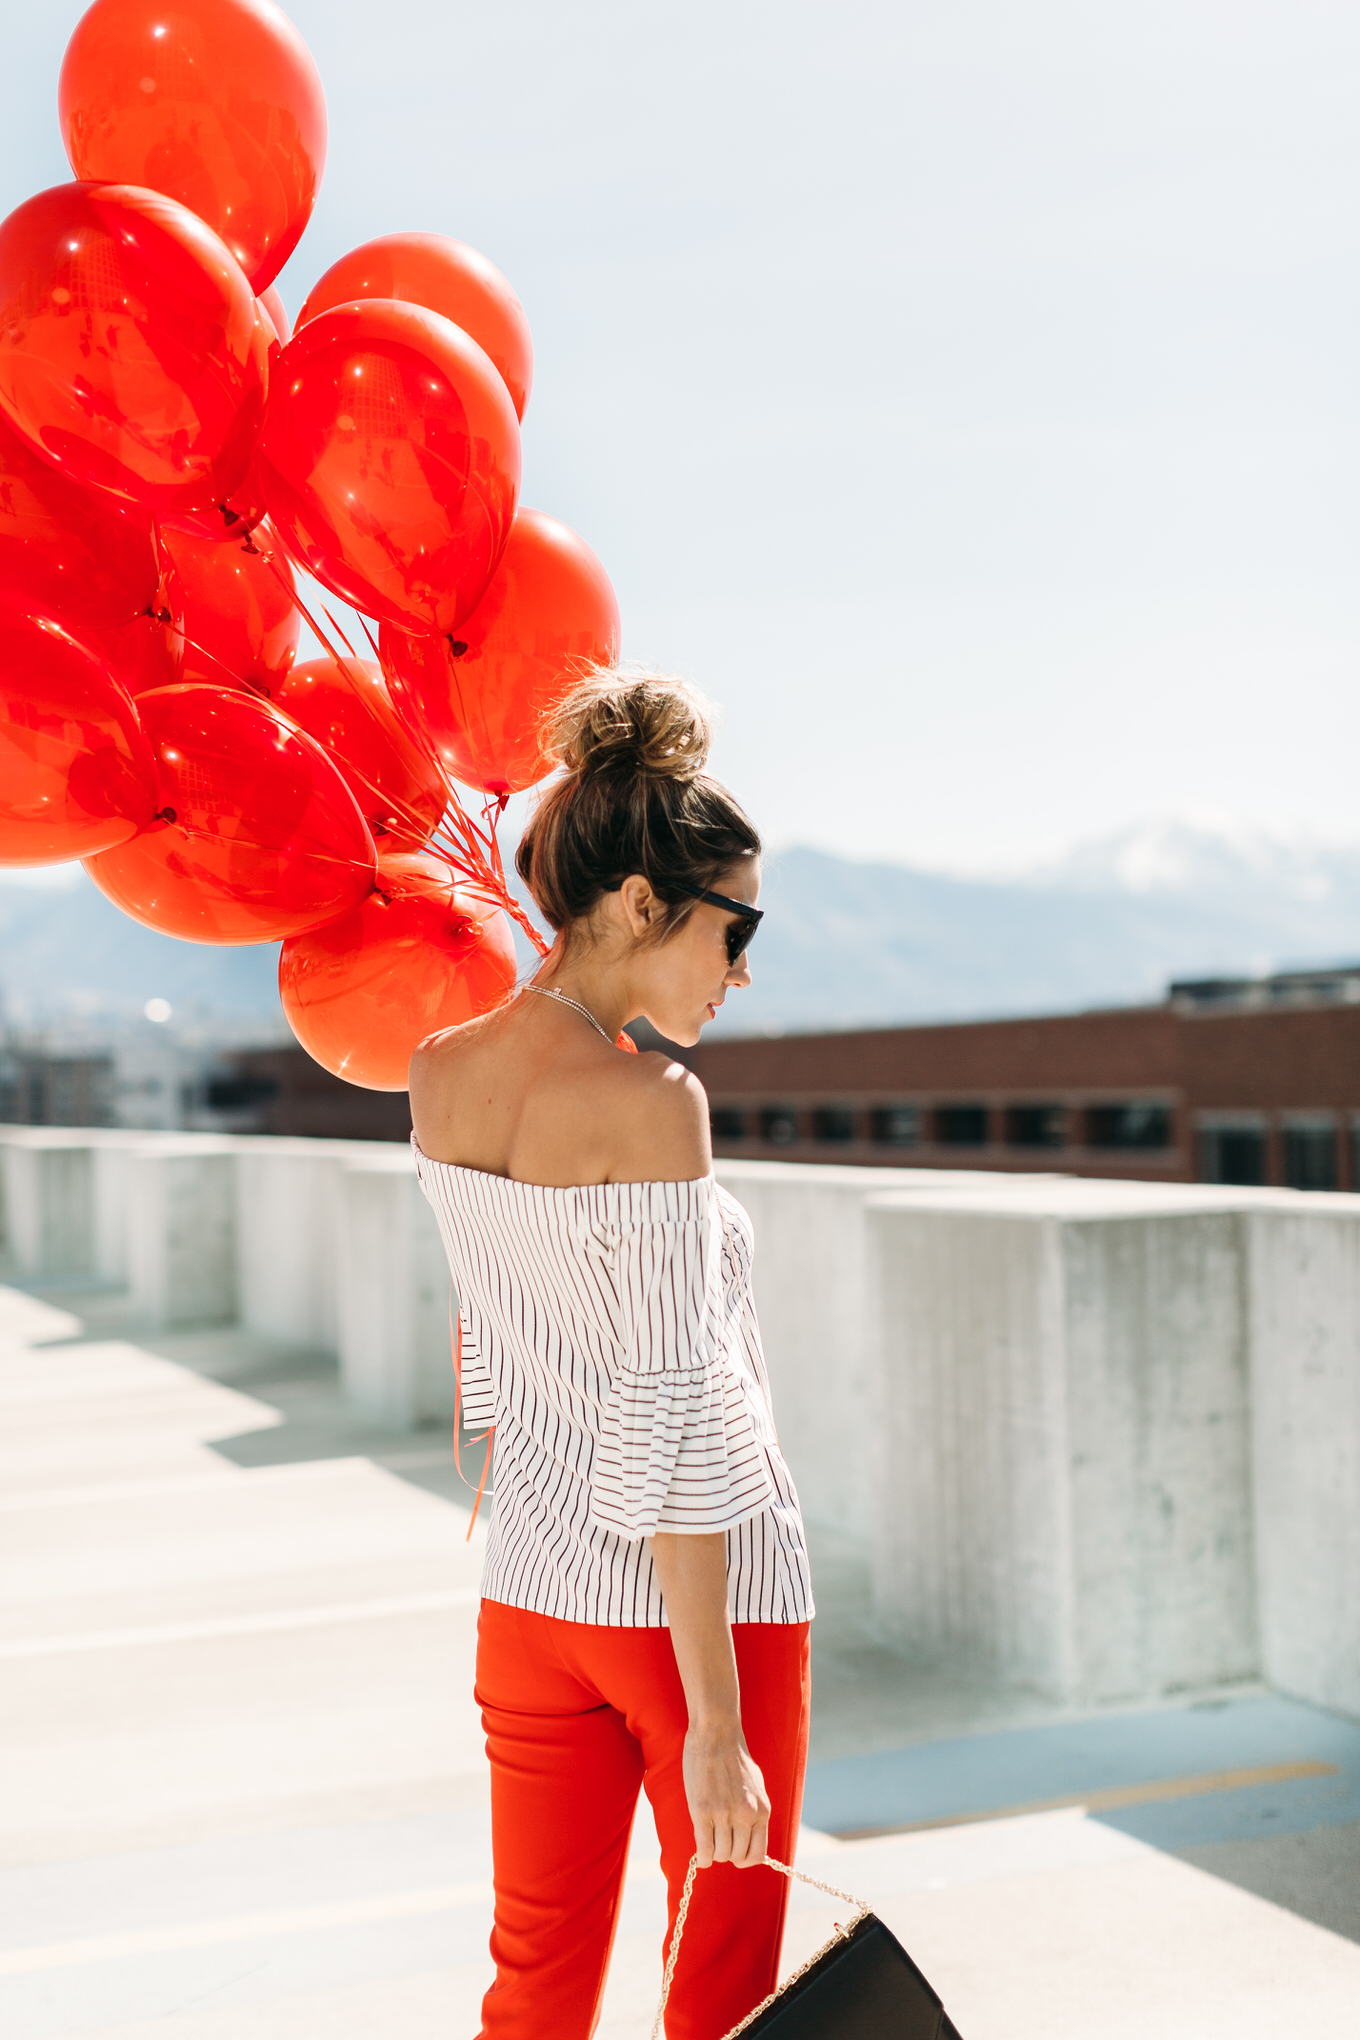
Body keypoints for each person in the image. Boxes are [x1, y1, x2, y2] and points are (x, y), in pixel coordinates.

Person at [408, 668, 814, 2040]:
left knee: (534, 1983)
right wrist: (713, 1718)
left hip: (529, 1597)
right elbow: (676, 1408)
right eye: (731, 926)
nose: (742, 967)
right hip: (699, 1614)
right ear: (643, 905)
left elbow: (497, 1350)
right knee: (722, 1994)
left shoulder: (440, 1069)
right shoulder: (655, 1102)